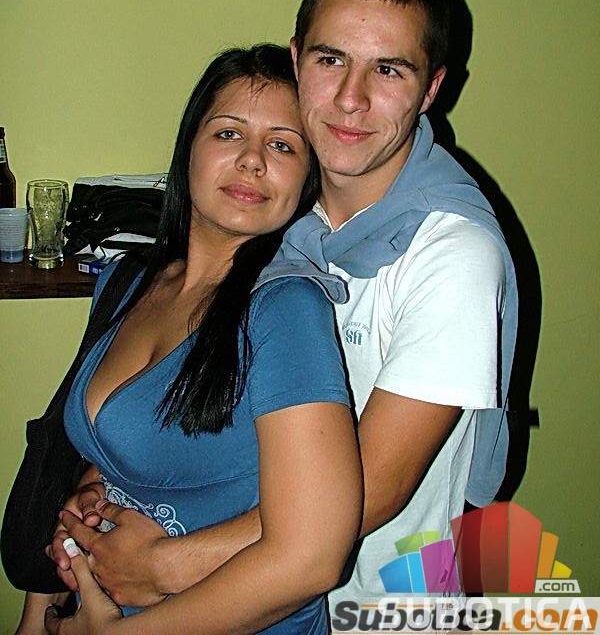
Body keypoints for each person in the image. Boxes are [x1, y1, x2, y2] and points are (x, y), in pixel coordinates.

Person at [44, 0, 517, 616]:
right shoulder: (282, 221)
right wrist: (110, 487)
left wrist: (164, 566)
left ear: (432, 88)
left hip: (378, 603)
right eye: (331, 60)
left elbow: (370, 489)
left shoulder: (453, 254)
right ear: (297, 61)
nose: (350, 97)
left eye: (388, 70)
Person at [15, 44, 362, 634]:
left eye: (283, 145)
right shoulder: (127, 282)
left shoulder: (286, 310)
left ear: (307, 178)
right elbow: (113, 449)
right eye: (229, 133)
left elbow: (312, 561)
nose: (252, 160)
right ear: (189, 149)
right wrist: (93, 492)